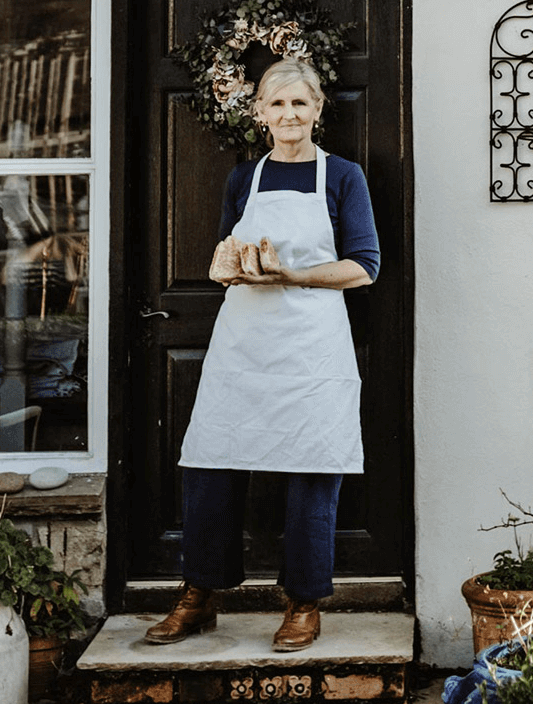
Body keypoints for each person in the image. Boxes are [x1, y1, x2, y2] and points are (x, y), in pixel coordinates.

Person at [145, 58, 380, 652]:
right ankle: (199, 594)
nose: (289, 115)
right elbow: (229, 253)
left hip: (311, 345)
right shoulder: (243, 179)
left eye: (300, 103)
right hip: (246, 342)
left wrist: (292, 273)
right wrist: (232, 267)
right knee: (211, 457)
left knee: (311, 465)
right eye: (277, 105)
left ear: (318, 109)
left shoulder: (342, 177)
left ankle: (303, 601)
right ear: (259, 114)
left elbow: (364, 267)